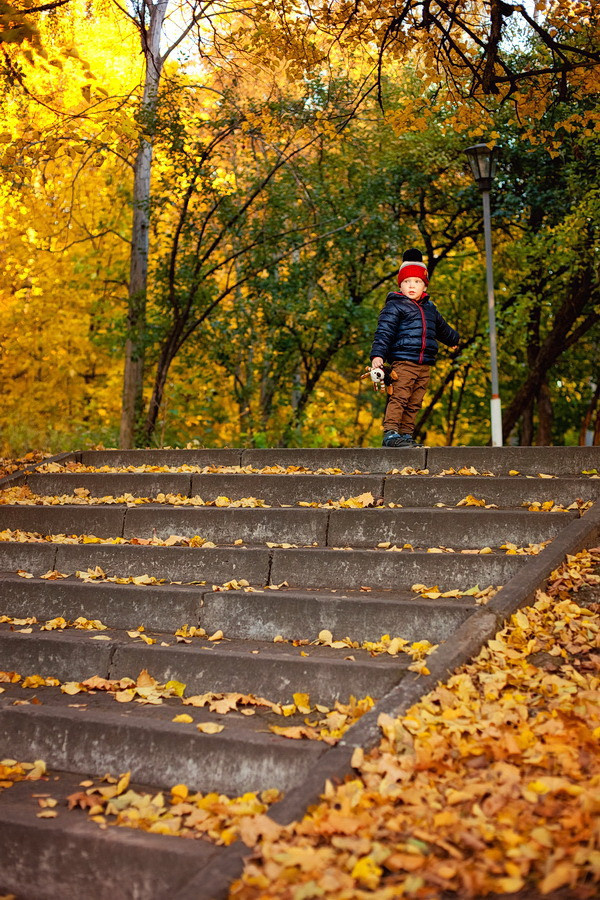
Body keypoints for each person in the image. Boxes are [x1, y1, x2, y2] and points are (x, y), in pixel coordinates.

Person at [370, 248, 459, 448]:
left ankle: (406, 434)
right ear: (400, 285)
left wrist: (454, 339)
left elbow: (442, 328)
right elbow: (384, 332)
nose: (412, 286)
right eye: (407, 282)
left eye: (417, 282)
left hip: (423, 364)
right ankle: (391, 432)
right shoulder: (395, 306)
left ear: (424, 285)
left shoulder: (430, 308)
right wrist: (378, 355)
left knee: (415, 401)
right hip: (403, 361)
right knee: (400, 397)